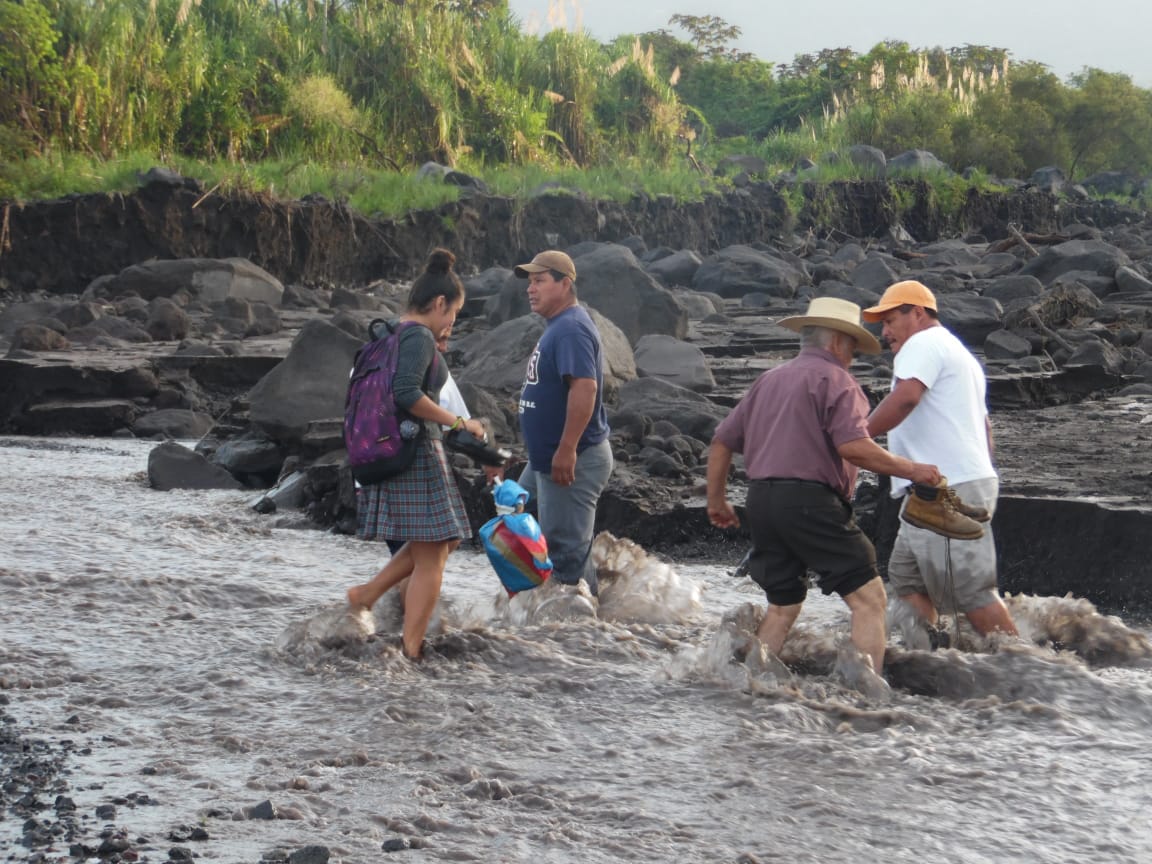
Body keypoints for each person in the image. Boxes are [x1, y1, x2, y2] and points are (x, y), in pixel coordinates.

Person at [706, 297, 942, 677]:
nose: (852, 356)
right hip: (810, 503)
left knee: (784, 605)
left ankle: (745, 685)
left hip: (762, 501)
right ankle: (866, 696)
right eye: (851, 346)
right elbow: (853, 448)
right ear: (836, 342)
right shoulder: (838, 382)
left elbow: (722, 441)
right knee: (869, 600)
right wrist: (911, 469)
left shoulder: (768, 380)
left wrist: (716, 501)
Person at [345, 248, 489, 660]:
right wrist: (459, 423)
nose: (452, 325)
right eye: (454, 315)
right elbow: (406, 393)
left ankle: (367, 594)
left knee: (446, 540)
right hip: (416, 451)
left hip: (395, 447)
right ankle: (410, 650)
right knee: (433, 557)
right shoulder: (419, 336)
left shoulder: (389, 334)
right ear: (440, 303)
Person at [863, 280, 1019, 638]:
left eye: (889, 321)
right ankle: (933, 660)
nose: (884, 332)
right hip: (940, 489)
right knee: (906, 577)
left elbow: (906, 398)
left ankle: (1027, 669)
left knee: (972, 591)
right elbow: (985, 429)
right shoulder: (959, 354)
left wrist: (856, 436)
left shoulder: (924, 343)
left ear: (917, 314)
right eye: (881, 324)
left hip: (947, 488)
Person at [514, 250, 613, 595]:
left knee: (565, 553)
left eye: (540, 281)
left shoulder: (571, 328)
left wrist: (567, 448)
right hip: (547, 458)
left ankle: (582, 629)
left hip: (575, 456)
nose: (531, 289)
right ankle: (543, 611)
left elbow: (585, 387)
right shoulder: (558, 326)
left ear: (565, 284)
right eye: (530, 282)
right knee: (515, 516)